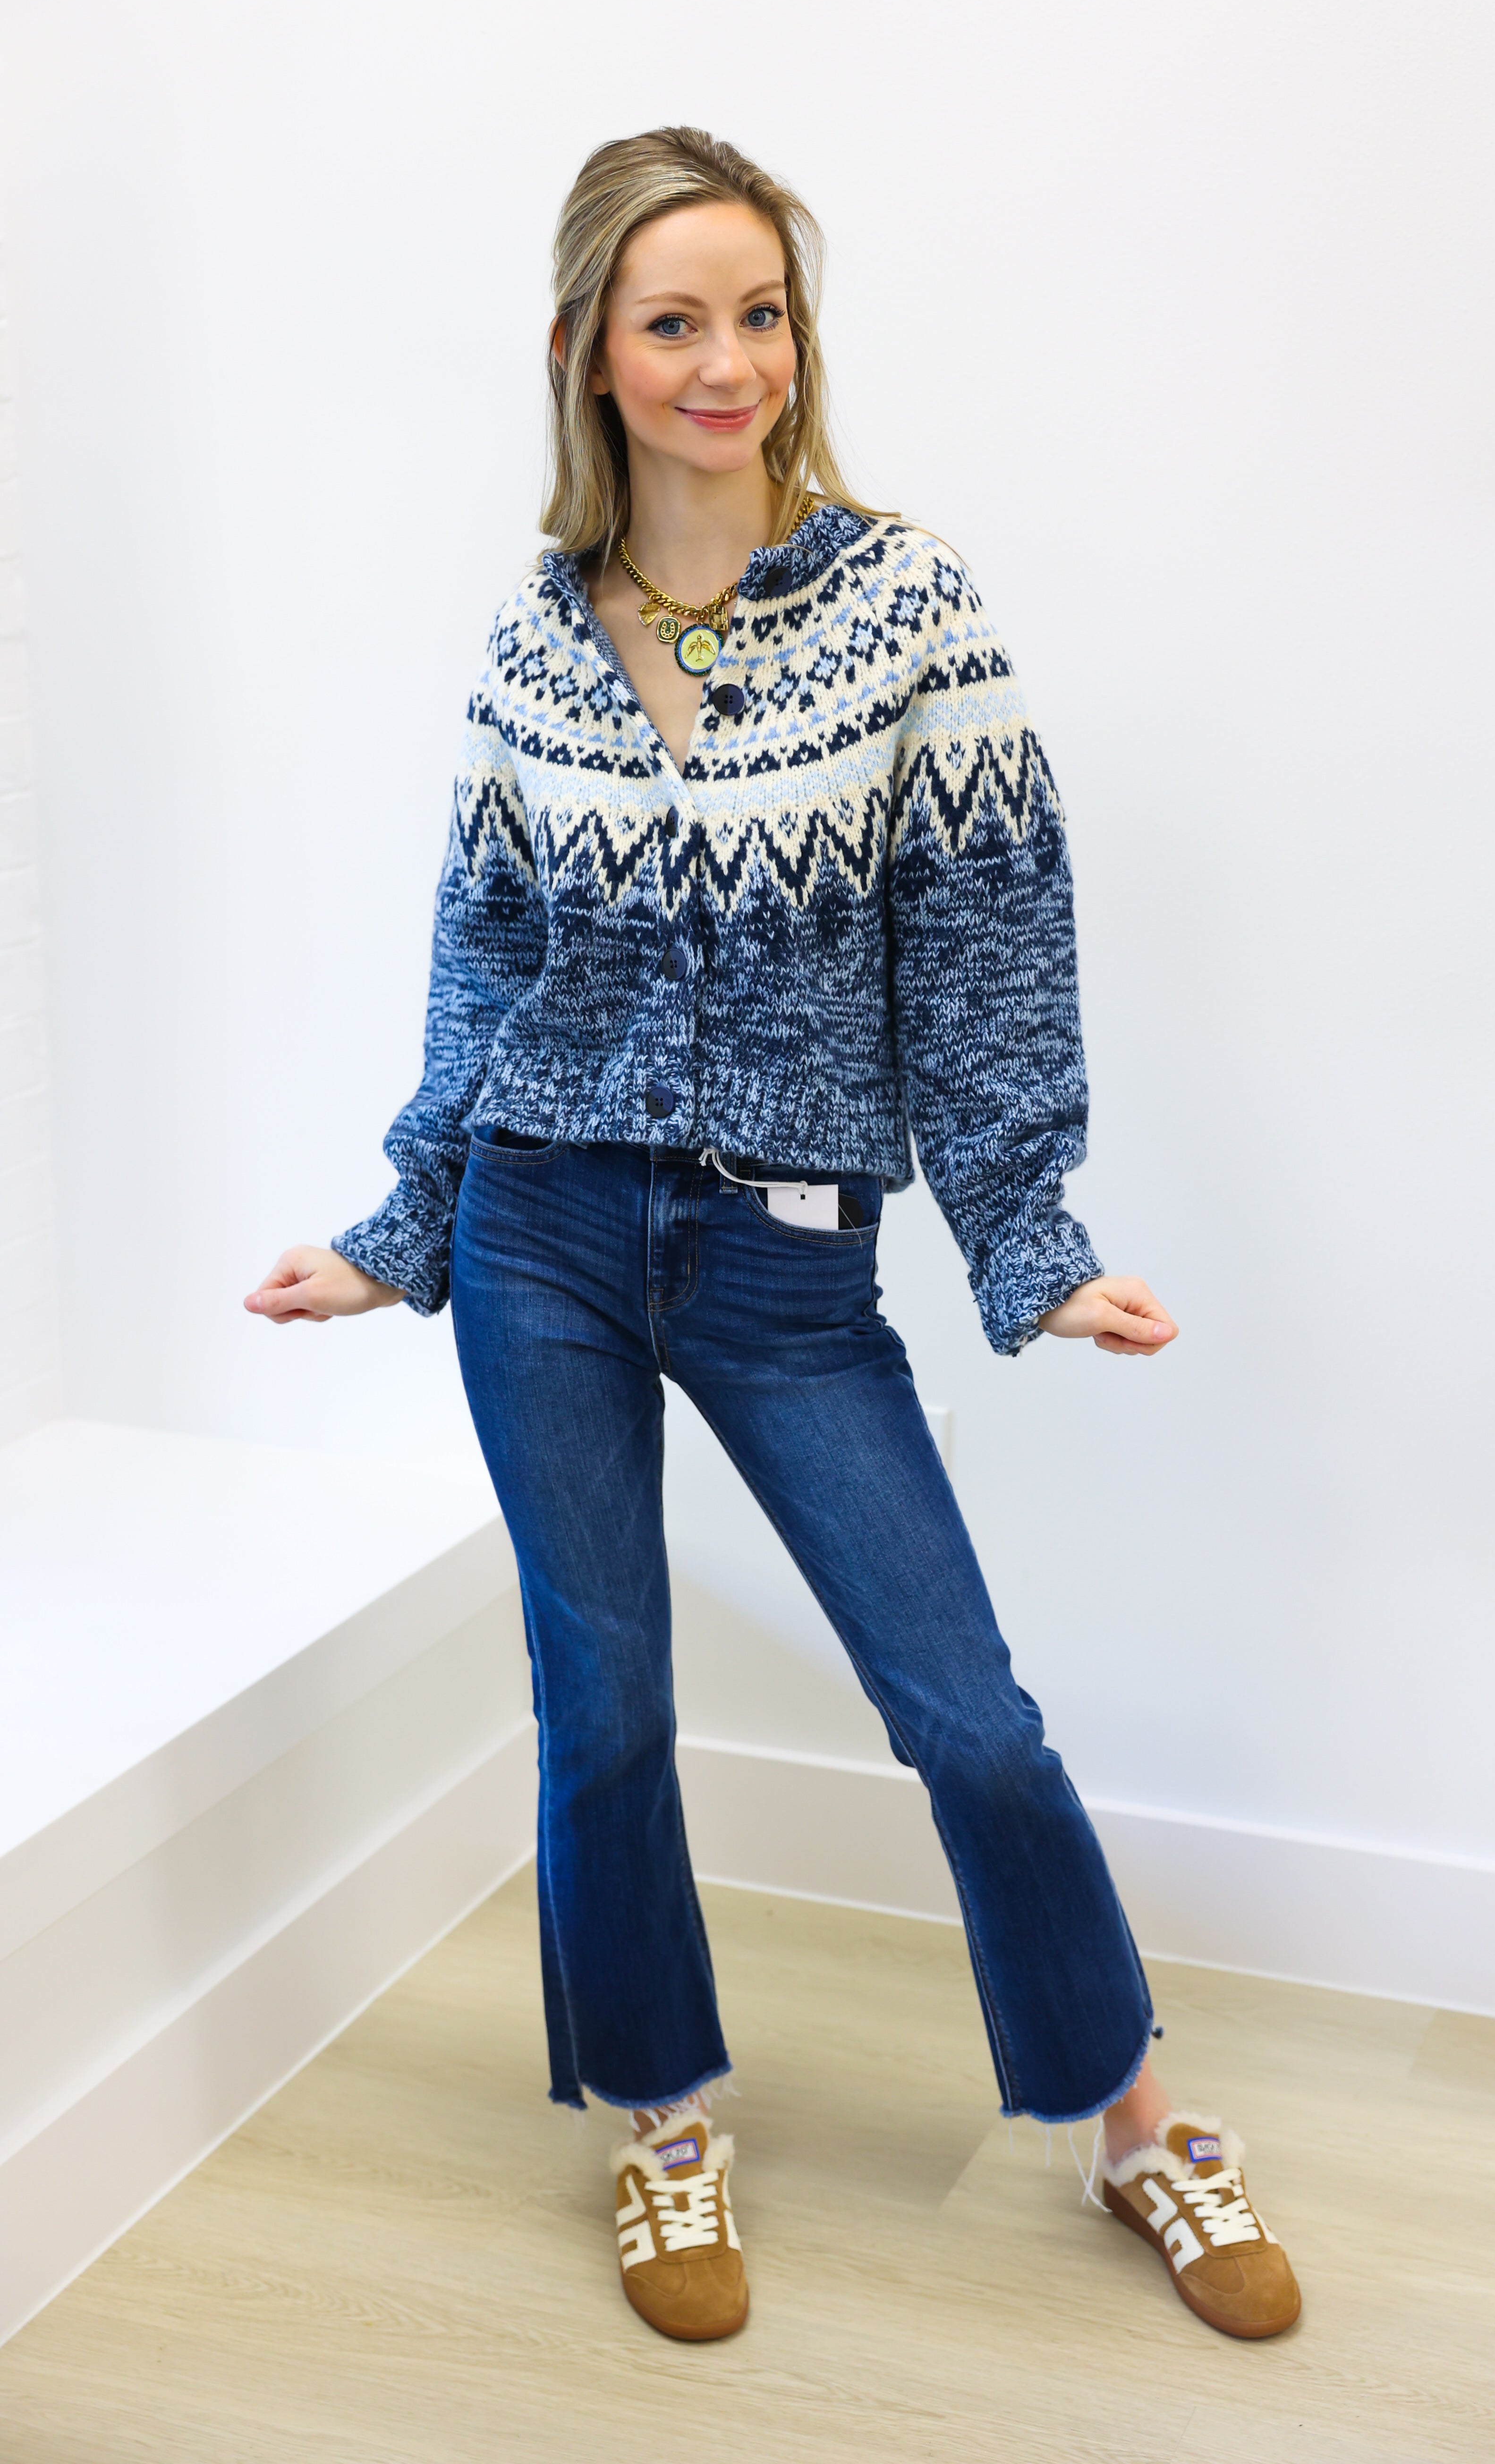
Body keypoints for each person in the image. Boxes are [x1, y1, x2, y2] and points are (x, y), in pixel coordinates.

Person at [246, 126, 1300, 2346]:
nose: (728, 361)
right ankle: (662, 2116)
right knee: (605, 1703)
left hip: (790, 1262)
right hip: (539, 1235)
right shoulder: (531, 637)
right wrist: (404, 1220)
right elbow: (483, 964)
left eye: (761, 313)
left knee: (968, 1717)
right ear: (587, 354)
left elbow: (990, 941)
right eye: (676, 321)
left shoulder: (908, 604)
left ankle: (1136, 2125)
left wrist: (1025, 1233)